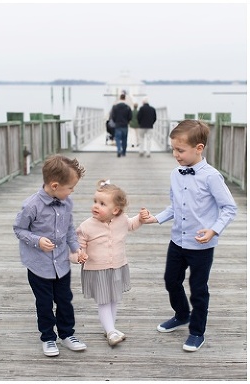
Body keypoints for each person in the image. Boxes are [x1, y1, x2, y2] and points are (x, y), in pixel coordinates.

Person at [141, 120, 237, 352]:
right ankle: (182, 314)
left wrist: (214, 229)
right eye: (173, 149)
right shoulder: (176, 173)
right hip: (177, 240)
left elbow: (229, 208)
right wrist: (156, 218)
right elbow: (175, 206)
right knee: (170, 280)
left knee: (198, 288)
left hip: (201, 245)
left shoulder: (212, 176)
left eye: (180, 150)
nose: (175, 154)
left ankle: (197, 332)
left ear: (199, 148)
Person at [13, 154, 88, 357]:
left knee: (65, 300)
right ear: (55, 186)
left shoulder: (66, 203)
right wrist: (37, 241)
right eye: (70, 188)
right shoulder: (31, 206)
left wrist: (76, 248)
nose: (72, 191)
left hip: (61, 263)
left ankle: (67, 334)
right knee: (44, 303)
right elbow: (19, 229)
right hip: (39, 265)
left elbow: (69, 228)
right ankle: (48, 337)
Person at [73, 179, 150, 346]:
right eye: (95, 202)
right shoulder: (86, 226)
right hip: (97, 269)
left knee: (114, 298)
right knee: (104, 300)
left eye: (102, 203)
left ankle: (110, 328)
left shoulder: (122, 219)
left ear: (115, 210)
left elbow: (131, 225)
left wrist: (141, 218)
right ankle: (110, 331)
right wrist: (79, 255)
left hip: (117, 266)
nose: (95, 206)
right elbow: (78, 247)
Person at [109, 93, 133, 157]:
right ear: (125, 98)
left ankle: (119, 150)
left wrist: (115, 121)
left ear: (120, 98)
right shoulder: (128, 107)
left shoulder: (115, 107)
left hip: (118, 125)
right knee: (124, 139)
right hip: (125, 125)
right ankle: (124, 152)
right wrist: (127, 121)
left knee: (117, 139)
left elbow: (113, 116)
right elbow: (130, 117)